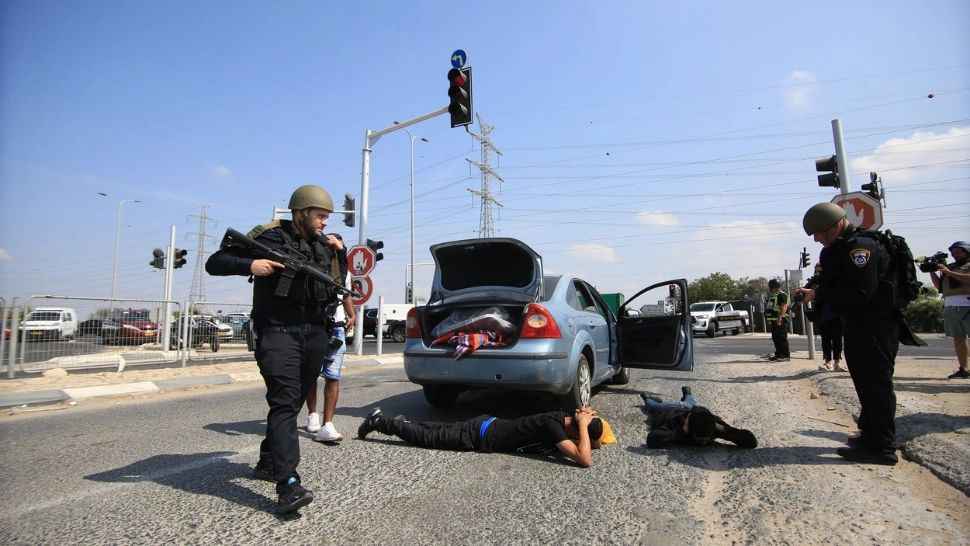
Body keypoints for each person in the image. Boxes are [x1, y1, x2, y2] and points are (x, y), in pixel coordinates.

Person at [205, 184, 341, 513]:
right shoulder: (269, 237)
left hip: (315, 333)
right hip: (278, 332)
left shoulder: (324, 246)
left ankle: (269, 460)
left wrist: (341, 251)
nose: (324, 223)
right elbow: (216, 261)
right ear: (301, 213)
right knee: (283, 402)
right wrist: (249, 266)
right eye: (320, 216)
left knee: (292, 401)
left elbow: (336, 284)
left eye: (327, 218)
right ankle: (288, 484)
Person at [796, 202, 918, 465]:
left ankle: (883, 448)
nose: (818, 239)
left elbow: (862, 293)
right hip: (857, 324)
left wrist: (819, 294)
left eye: (821, 233)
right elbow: (832, 282)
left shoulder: (860, 249)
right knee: (864, 381)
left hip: (877, 324)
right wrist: (812, 289)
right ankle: (870, 435)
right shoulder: (836, 250)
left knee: (877, 383)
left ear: (837, 224)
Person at [357, 406, 604, 467]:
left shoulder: (561, 418)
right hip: (478, 435)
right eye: (583, 438)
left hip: (485, 426)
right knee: (427, 437)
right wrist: (584, 426)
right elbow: (585, 460)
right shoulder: (554, 427)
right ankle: (379, 421)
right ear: (576, 430)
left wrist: (584, 421)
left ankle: (401, 424)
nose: (588, 447)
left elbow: (588, 445)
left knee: (432, 429)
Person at [306, 235, 357, 441]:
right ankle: (312, 415)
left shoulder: (342, 269)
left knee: (332, 376)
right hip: (315, 327)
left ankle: (328, 424)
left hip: (335, 329)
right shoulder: (314, 263)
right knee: (310, 374)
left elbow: (346, 294)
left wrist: (352, 315)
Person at [639, 386, 757, 449]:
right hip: (668, 409)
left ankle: (688, 394)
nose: (704, 442)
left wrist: (724, 430)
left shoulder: (712, 424)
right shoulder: (676, 422)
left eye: (707, 438)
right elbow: (653, 439)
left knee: (690, 403)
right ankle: (646, 397)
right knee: (653, 406)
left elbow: (752, 442)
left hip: (688, 408)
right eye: (700, 439)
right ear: (690, 429)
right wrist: (680, 432)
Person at [927, 241, 970, 379]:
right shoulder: (950, 267)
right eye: (953, 253)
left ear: (966, 251)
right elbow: (939, 286)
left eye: (958, 252)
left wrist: (949, 272)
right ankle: (964, 369)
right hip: (951, 306)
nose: (955, 255)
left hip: (967, 305)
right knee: (958, 338)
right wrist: (932, 271)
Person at [809, 262, 845, 372]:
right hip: (822, 315)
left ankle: (837, 362)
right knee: (825, 339)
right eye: (817, 271)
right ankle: (827, 362)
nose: (818, 273)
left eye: (820, 270)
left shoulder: (834, 282)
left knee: (837, 338)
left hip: (836, 314)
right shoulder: (814, 283)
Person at [765, 278, 790, 362]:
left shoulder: (781, 295)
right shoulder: (774, 295)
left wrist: (779, 318)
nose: (769, 289)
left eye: (770, 287)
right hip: (774, 320)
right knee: (775, 338)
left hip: (781, 320)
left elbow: (784, 306)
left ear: (774, 287)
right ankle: (779, 354)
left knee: (782, 338)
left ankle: (785, 355)